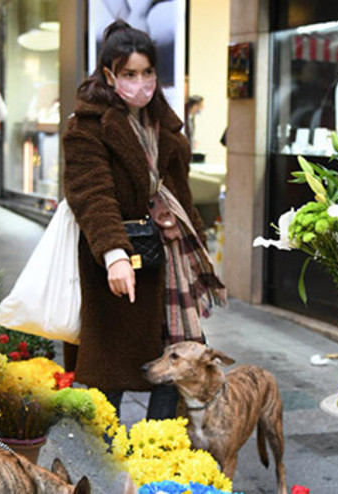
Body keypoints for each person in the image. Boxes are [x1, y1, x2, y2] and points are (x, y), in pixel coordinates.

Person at [62, 20, 226, 420]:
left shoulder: (162, 121)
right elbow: (91, 194)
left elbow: (179, 189)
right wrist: (114, 254)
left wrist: (183, 225)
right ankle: (105, 449)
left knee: (177, 355)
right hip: (121, 259)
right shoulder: (87, 126)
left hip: (171, 258)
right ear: (109, 76)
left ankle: (158, 442)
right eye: (129, 74)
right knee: (113, 368)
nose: (141, 83)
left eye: (148, 72)